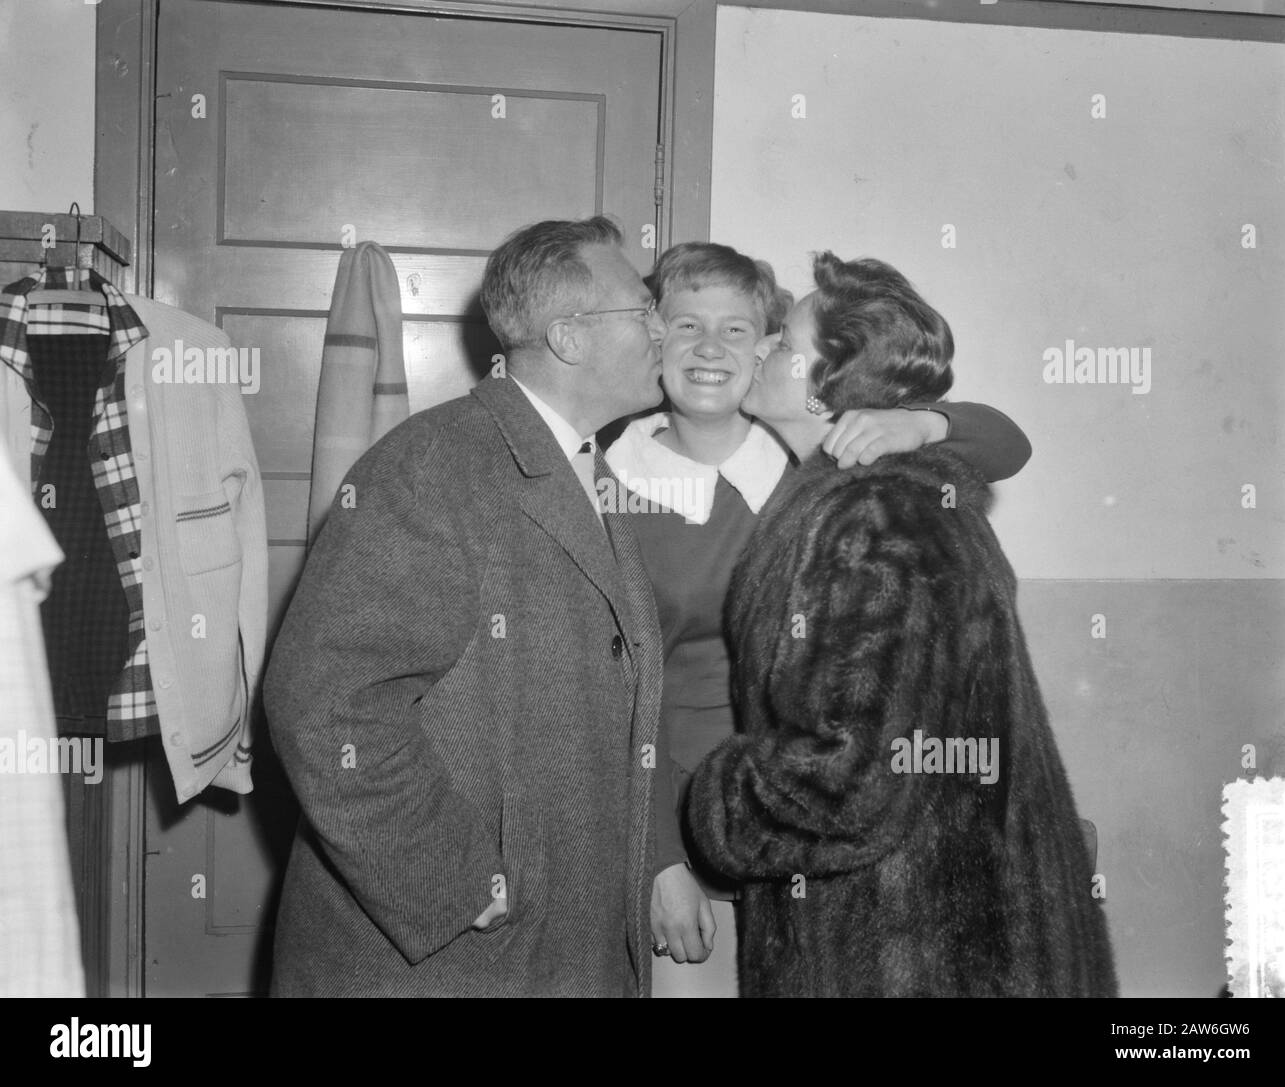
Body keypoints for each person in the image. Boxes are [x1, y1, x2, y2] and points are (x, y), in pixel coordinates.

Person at [605, 242, 1034, 997]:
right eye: (687, 325)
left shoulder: (816, 461)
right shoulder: (605, 482)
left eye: (742, 330)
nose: (716, 348)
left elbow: (1004, 440)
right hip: (691, 830)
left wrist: (921, 423)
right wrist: (658, 858)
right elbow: (617, 695)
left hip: (825, 832)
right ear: (653, 338)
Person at [684, 252, 1118, 997]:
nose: (759, 348)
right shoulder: (859, 496)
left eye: (782, 343)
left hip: (916, 950)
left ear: (827, 395)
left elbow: (854, 779)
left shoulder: (873, 518)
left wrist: (714, 801)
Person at [264, 216, 669, 996]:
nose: (660, 329)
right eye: (642, 309)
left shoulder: (583, 465)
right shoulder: (431, 468)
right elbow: (322, 704)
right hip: (454, 963)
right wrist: (454, 885)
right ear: (571, 336)